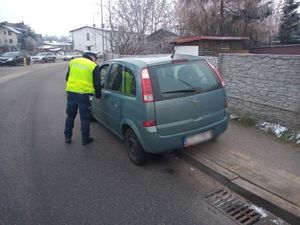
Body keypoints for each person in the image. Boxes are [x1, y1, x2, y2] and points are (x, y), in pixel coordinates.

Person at [64, 51, 101, 145]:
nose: (95, 60)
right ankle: (85, 139)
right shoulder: (93, 66)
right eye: (95, 58)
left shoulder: (73, 62)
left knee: (70, 116)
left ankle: (67, 137)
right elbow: (97, 83)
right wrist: (98, 95)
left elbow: (67, 77)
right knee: (85, 118)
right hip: (84, 95)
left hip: (71, 93)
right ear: (92, 57)